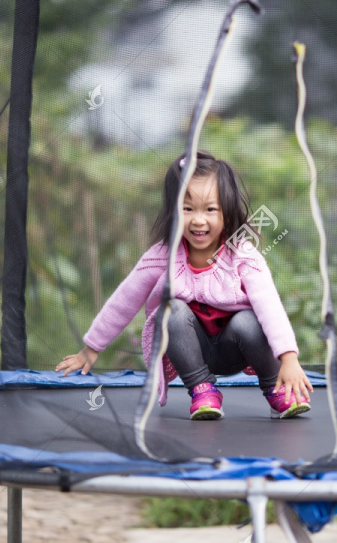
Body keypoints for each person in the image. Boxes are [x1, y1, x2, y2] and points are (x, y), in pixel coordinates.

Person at [56, 150, 313, 420]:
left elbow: (270, 306)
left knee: (248, 320)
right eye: (187, 209)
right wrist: (91, 347)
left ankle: (277, 390)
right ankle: (202, 390)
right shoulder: (162, 256)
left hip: (235, 347)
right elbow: (124, 300)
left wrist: (289, 358)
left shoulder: (243, 255)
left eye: (210, 209)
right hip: (191, 352)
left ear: (227, 211)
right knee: (171, 309)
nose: (198, 220)